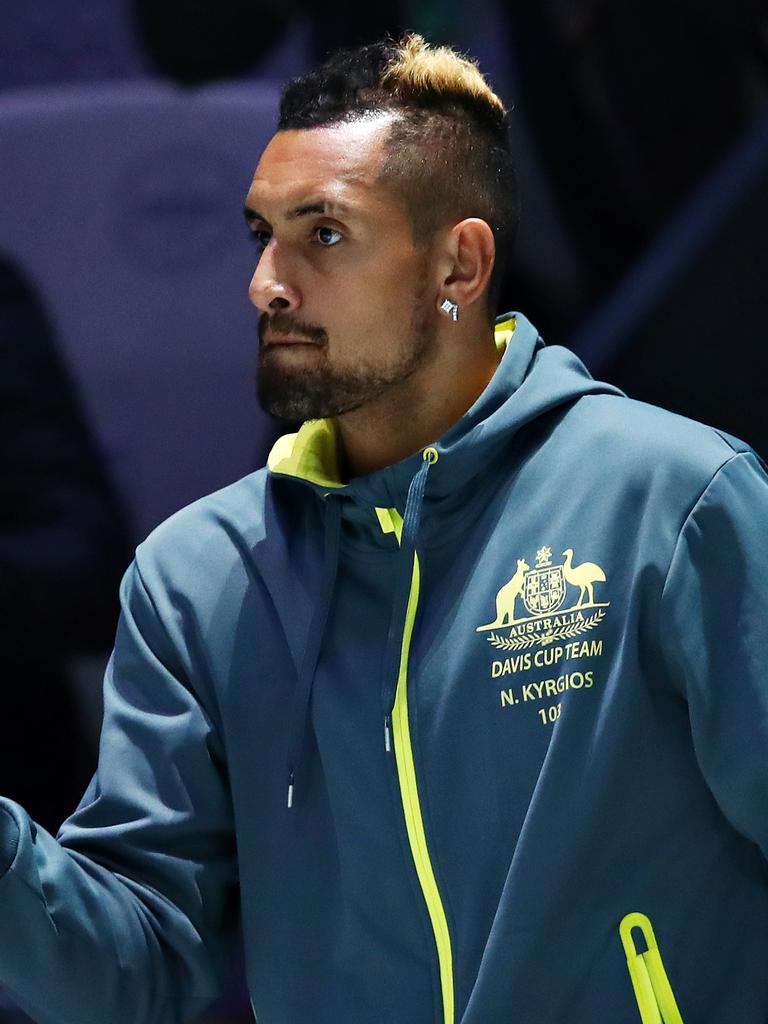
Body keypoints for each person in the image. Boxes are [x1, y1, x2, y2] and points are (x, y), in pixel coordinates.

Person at [1, 32, 767, 1024]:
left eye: (324, 235)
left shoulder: (669, 497)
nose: (268, 283)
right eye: (261, 234)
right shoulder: (198, 577)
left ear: (460, 261)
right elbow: (123, 972)